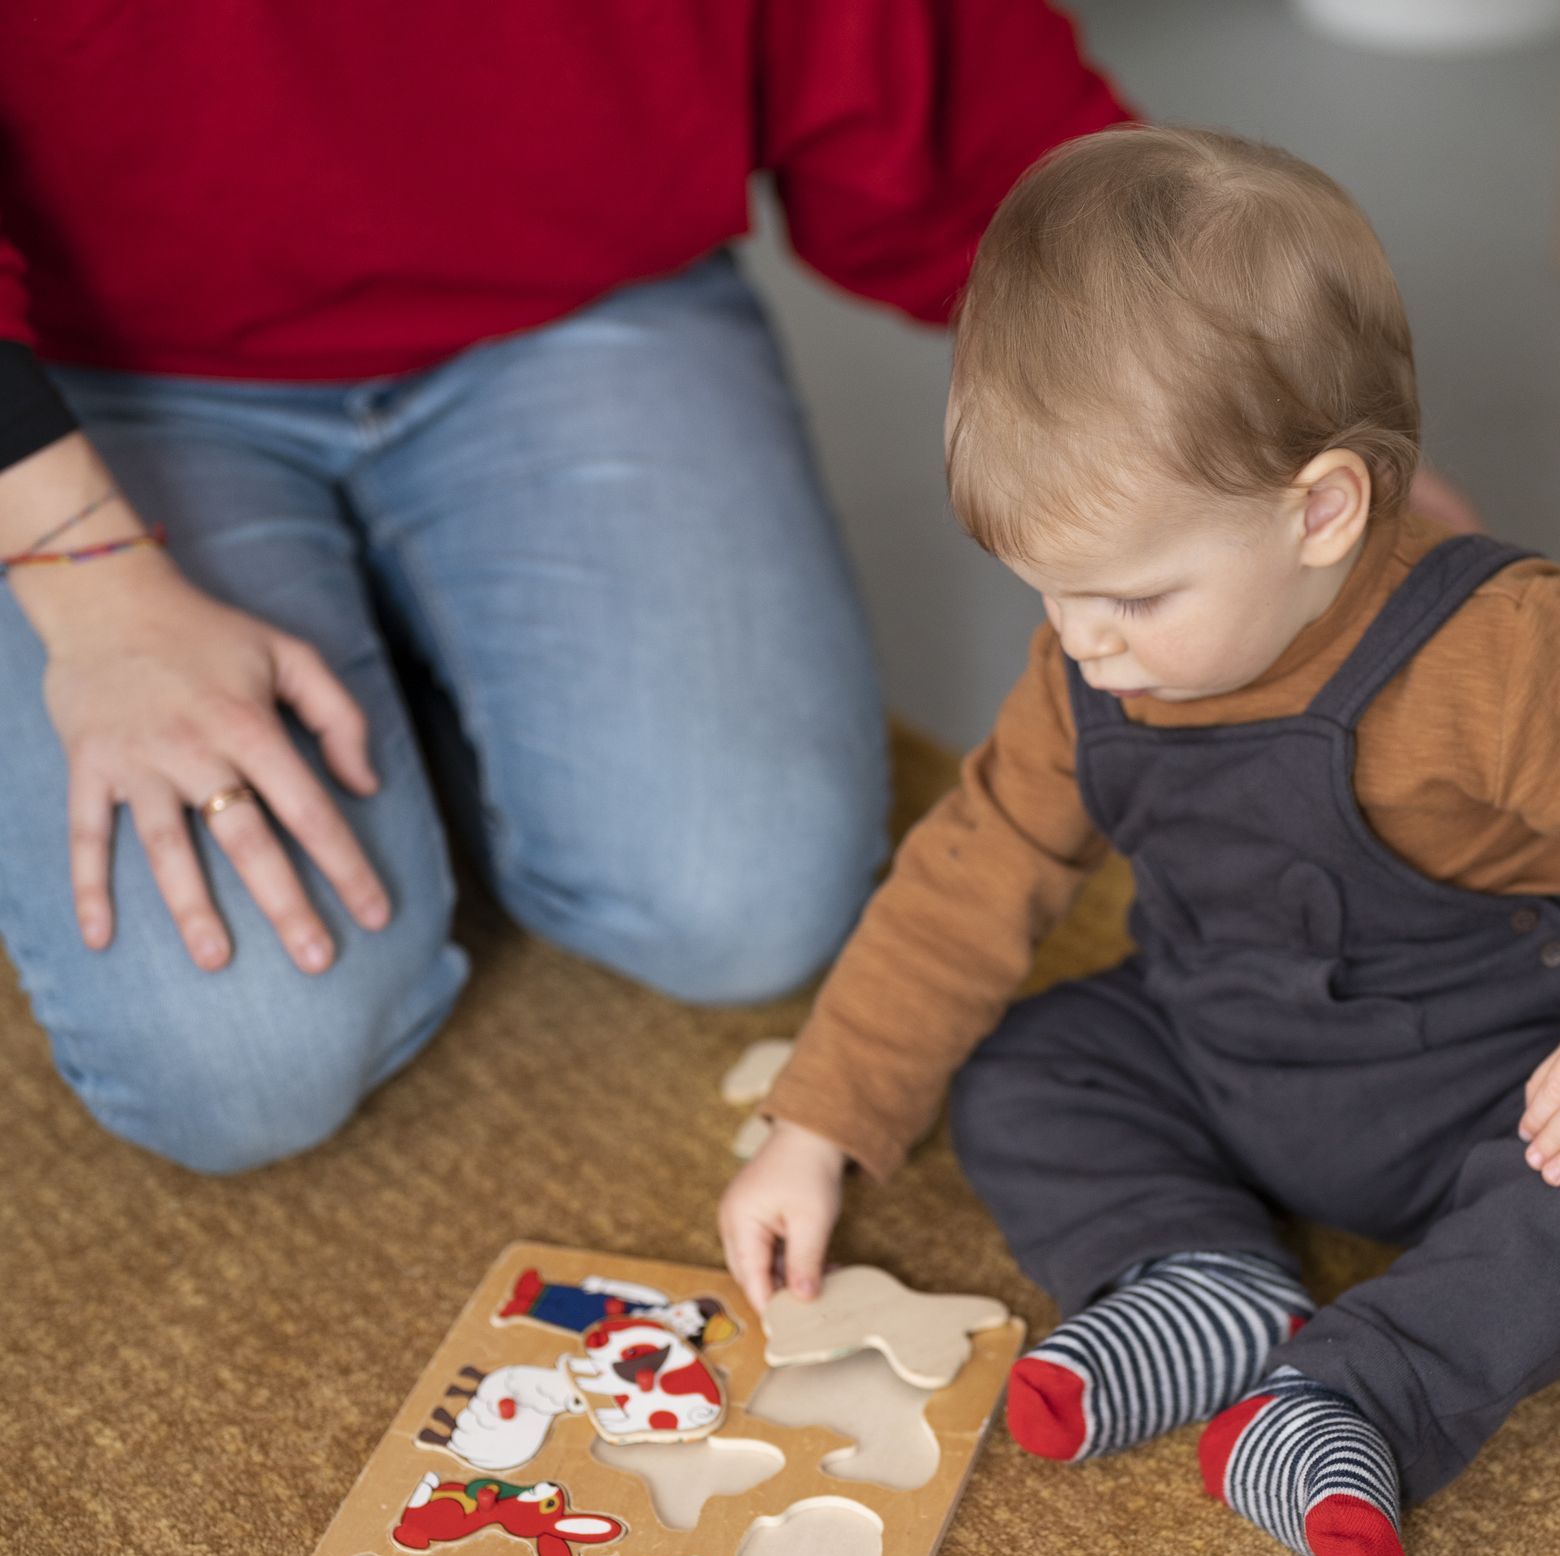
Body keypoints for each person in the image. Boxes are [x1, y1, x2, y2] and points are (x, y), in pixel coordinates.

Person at [718, 126, 1560, 1556]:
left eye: (1132, 596)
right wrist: (816, 1126)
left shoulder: (1508, 652)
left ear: (1321, 510)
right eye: (1049, 595)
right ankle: (1202, 1280)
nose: (1081, 643)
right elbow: (974, 871)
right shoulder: (1091, 656)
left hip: (1497, 1093)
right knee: (1020, 1069)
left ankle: (1358, 1392)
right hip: (1220, 1046)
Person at [0, 2, 1130, 1173]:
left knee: (741, 903)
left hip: (568, 295)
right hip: (84, 375)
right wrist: (91, 588)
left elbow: (951, 104)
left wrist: (1233, 391)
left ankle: (415, 650)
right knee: (239, 1063)